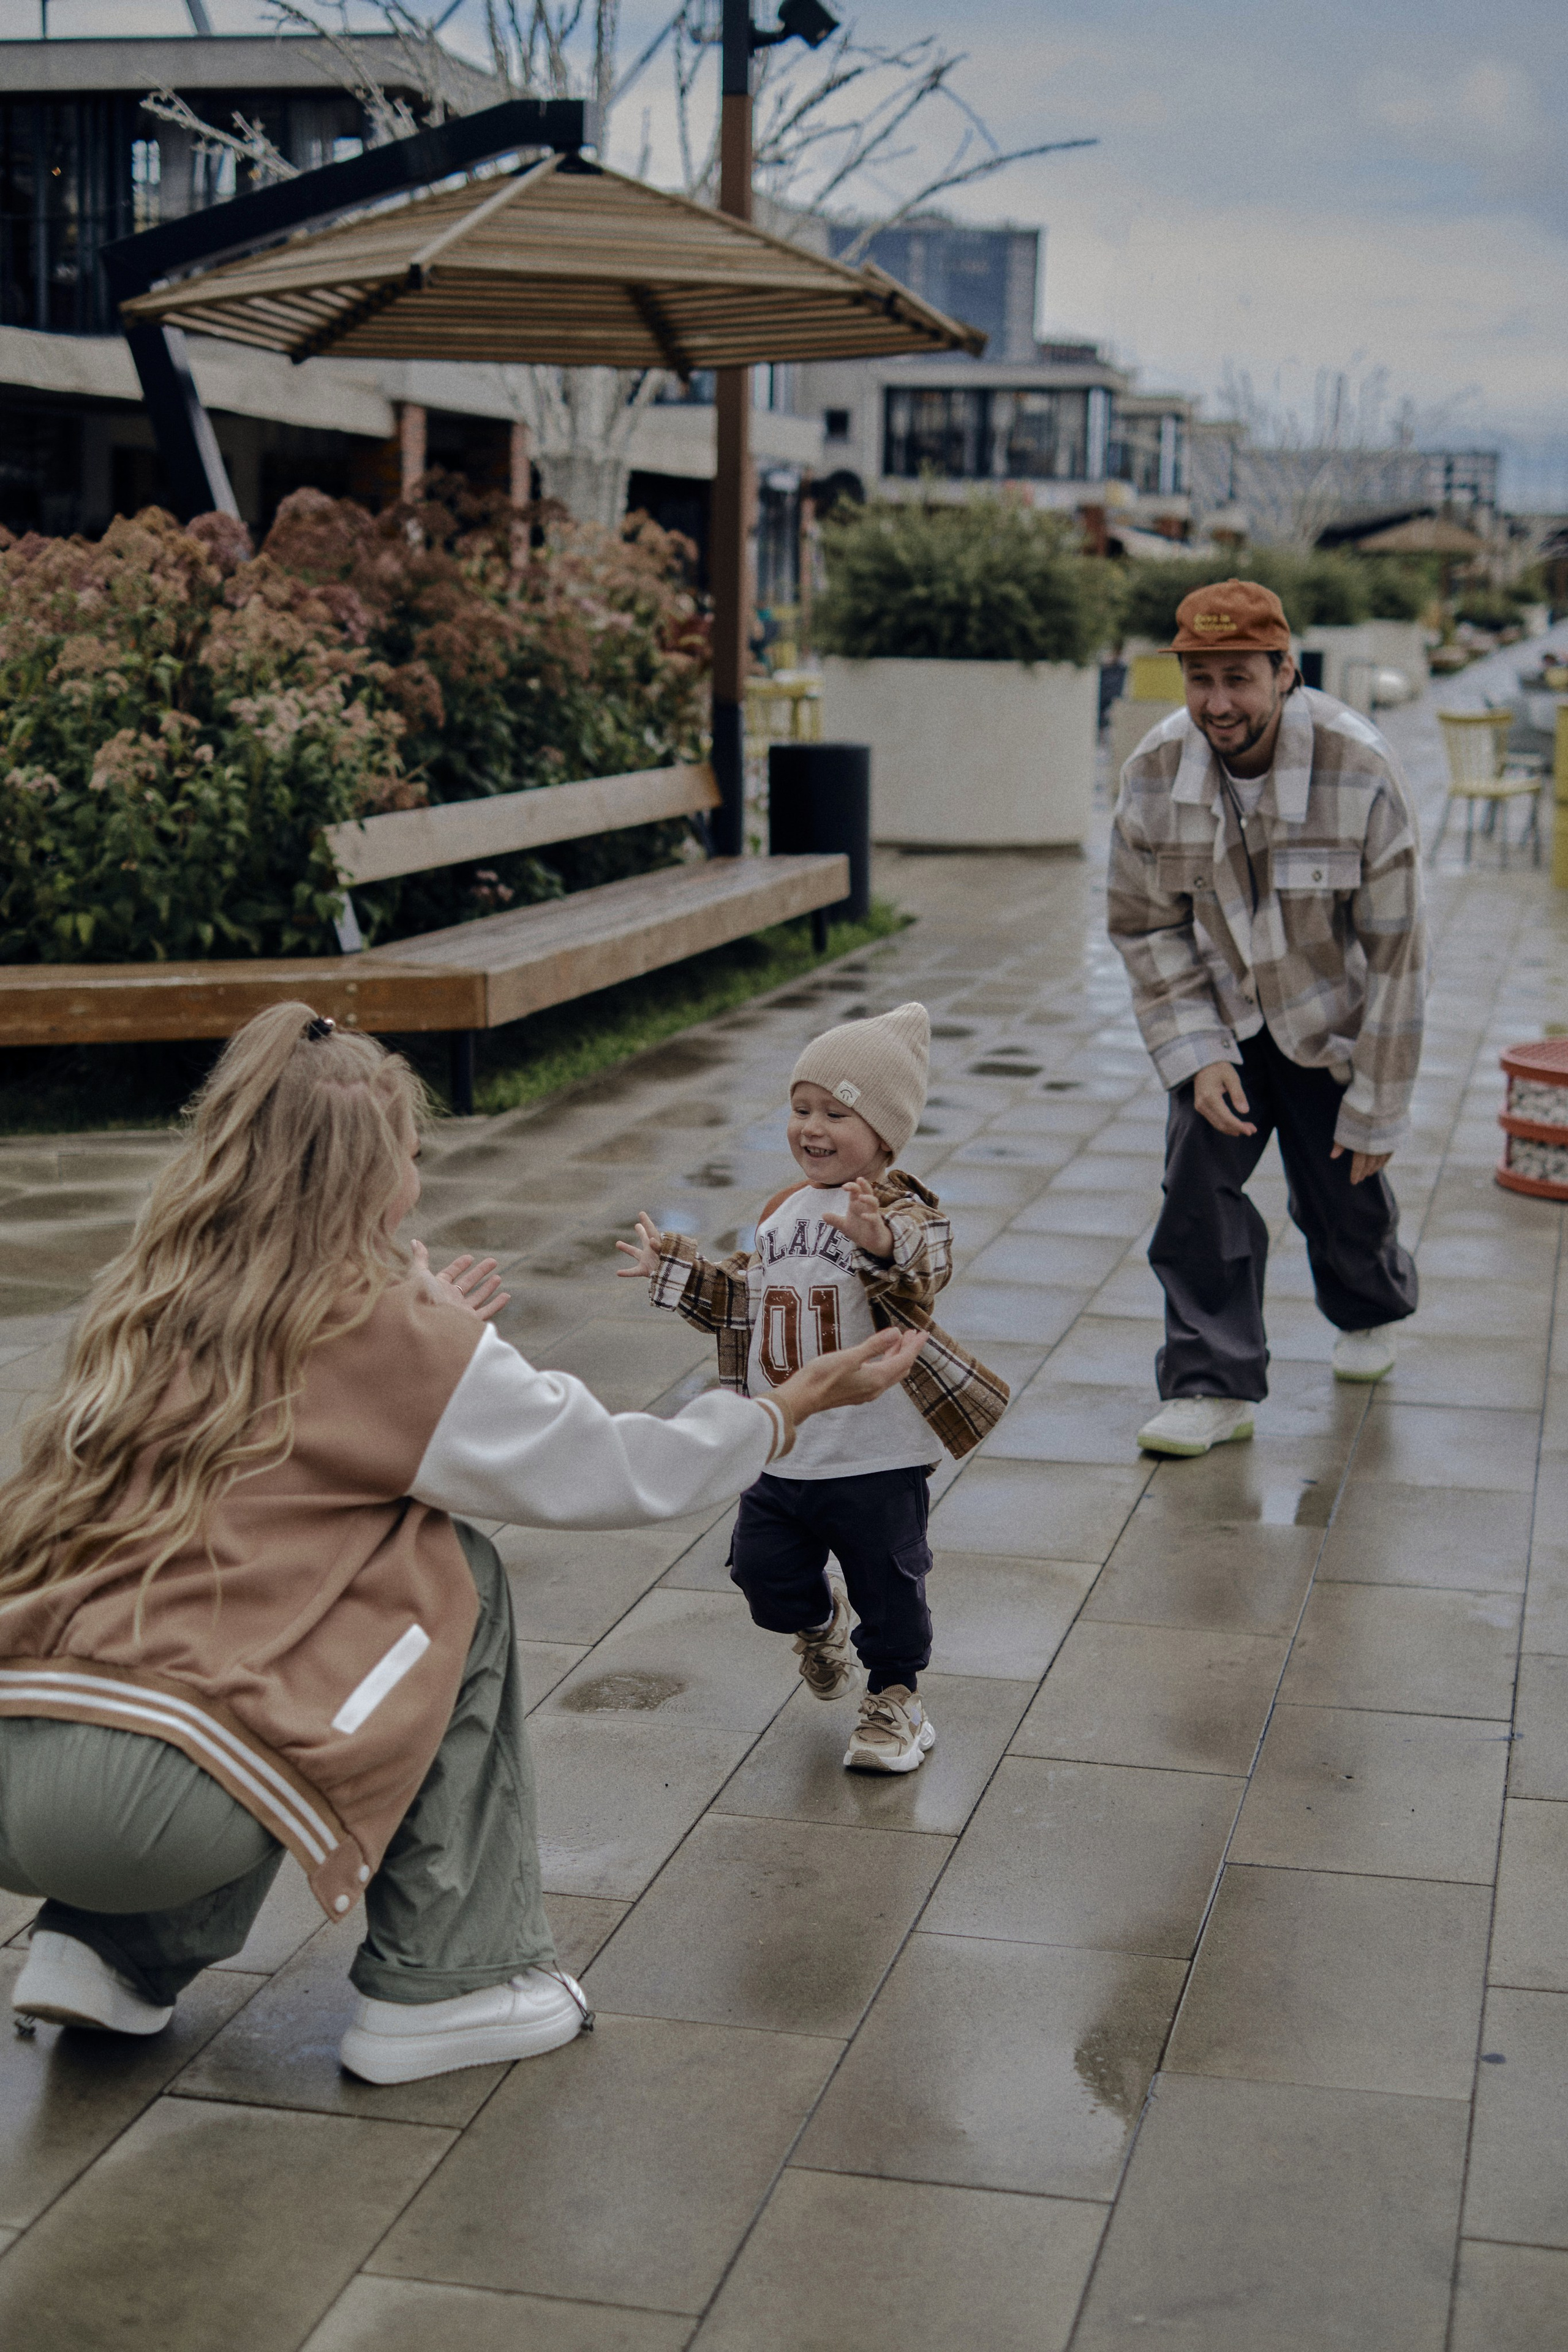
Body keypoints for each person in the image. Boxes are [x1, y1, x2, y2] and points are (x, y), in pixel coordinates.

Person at [0, 1006, 922, 2079]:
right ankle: (455, 1981)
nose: (416, 1181)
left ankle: (105, 1950)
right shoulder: (383, 1325)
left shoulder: (153, 1292)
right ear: (369, 1176)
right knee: (446, 1569)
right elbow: (609, 1467)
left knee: (223, 1584)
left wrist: (429, 1330)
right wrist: (787, 1406)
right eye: (411, 1155)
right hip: (151, 1812)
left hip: (17, 1767)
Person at [617, 1002, 1009, 1773]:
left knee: (889, 1587)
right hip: (783, 1445)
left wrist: (878, 1238)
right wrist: (678, 1272)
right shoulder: (779, 1213)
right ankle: (818, 1619)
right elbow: (744, 1302)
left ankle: (895, 1699)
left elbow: (923, 1262)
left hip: (874, 1454)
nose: (812, 1128)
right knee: (760, 1571)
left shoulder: (900, 1210)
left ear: (884, 1135)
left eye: (836, 1112)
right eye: (801, 1108)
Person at [1108, 578, 1426, 1458]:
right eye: (1200, 678)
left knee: (1345, 1196)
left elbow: (1399, 952)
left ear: (1286, 671)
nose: (1218, 703)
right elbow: (1145, 926)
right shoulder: (1152, 774)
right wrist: (1195, 1051)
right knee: (1195, 1192)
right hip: (1221, 1018)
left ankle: (1369, 1307)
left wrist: (1379, 1105)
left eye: (1239, 678)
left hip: (1331, 1019)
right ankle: (1210, 1383)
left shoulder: (1360, 766)